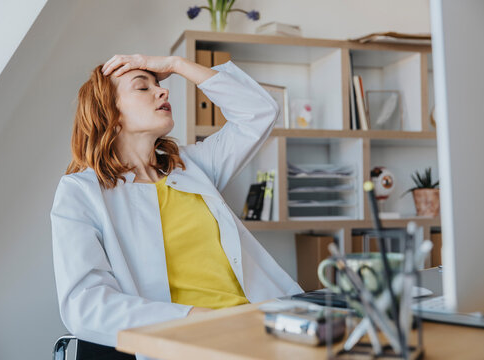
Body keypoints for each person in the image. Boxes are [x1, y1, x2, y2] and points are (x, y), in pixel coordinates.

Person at [50, 54, 303, 358]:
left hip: (259, 325)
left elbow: (260, 112)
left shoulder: (190, 166)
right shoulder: (82, 191)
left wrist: (175, 64)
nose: (163, 91)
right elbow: (85, 306)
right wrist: (196, 318)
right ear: (110, 114)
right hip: (191, 341)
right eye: (142, 88)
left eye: (160, 84)